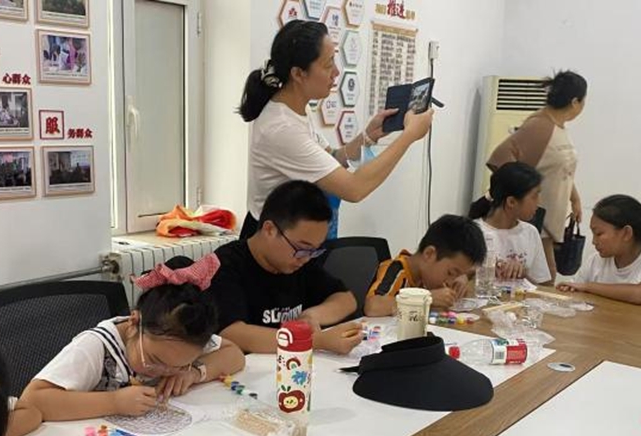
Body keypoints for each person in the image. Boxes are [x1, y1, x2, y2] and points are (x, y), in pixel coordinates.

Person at [239, 20, 433, 239]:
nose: (336, 72)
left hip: (289, 237)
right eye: (328, 64)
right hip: (269, 241)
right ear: (299, 74)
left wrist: (368, 136)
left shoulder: (296, 109)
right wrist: (409, 136)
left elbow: (332, 158)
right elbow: (354, 188)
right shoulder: (282, 129)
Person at [20, 256, 246, 422]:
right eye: (155, 360)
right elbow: (33, 400)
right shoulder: (96, 346)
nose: (164, 371)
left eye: (179, 365)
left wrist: (194, 372)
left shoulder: (184, 338)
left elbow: (234, 354)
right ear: (134, 322)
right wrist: (114, 402)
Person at [208, 180, 363, 355]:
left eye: (314, 250)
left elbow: (346, 299)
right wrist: (314, 341)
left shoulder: (299, 262)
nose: (306, 258)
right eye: (302, 248)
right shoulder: (224, 264)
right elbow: (233, 334)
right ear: (270, 230)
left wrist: (311, 316)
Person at [487, 70, 587, 280]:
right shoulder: (539, 126)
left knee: (544, 277)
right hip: (536, 219)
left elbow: (560, 168)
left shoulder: (558, 127)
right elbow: (500, 158)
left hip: (549, 219)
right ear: (575, 102)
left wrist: (575, 199)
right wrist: (522, 195)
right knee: (544, 278)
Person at [364, 215, 487, 317]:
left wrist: (461, 280)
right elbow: (372, 307)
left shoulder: (426, 278)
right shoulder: (397, 269)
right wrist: (427, 298)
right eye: (451, 273)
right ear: (429, 254)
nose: (450, 282)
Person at [468, 162, 551, 285]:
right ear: (511, 202)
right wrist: (484, 270)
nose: (538, 203)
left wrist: (523, 273)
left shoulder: (530, 233)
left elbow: (542, 285)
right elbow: (457, 280)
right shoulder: (473, 233)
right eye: (534, 196)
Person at [557, 195, 641, 304]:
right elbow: (576, 288)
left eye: (599, 234)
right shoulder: (595, 260)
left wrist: (588, 287)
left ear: (626, 233)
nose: (594, 242)